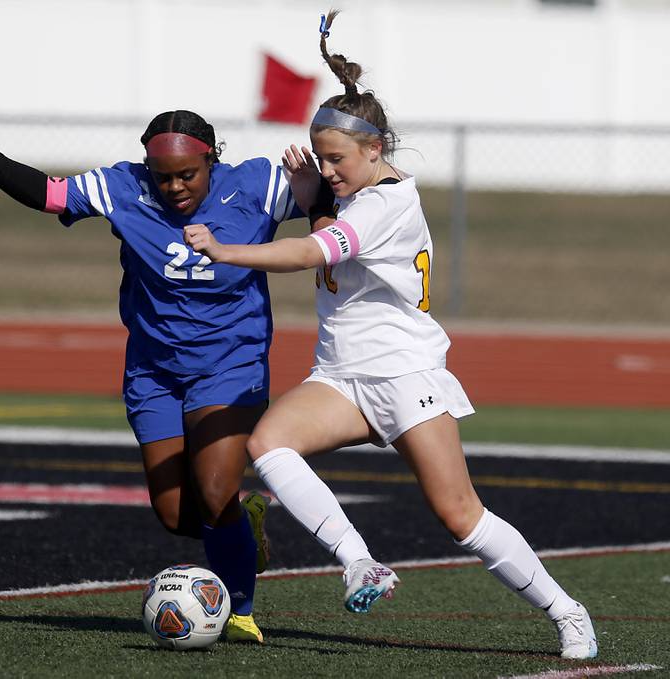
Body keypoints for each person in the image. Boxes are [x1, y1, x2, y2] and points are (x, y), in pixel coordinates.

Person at [184, 10, 598, 659]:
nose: (329, 167)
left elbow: (311, 255)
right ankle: (360, 563)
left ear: (376, 149)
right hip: (342, 376)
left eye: (339, 157)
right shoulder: (352, 196)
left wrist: (224, 250)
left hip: (405, 374)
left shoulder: (387, 204)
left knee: (460, 516)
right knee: (269, 445)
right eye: (321, 156)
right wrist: (313, 190)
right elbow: (336, 239)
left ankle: (567, 610)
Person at [0, 94, 303, 644]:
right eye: (163, 177)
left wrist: (353, 163)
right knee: (178, 515)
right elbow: (50, 195)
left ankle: (239, 606)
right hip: (153, 370)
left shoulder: (257, 186)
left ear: (212, 162)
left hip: (232, 363)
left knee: (216, 487)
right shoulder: (122, 186)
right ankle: (248, 523)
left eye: (187, 175)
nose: (175, 187)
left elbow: (337, 195)